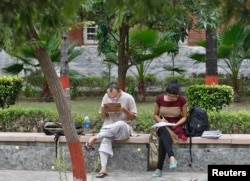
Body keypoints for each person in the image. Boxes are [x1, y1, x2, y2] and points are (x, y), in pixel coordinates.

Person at [84, 82, 137, 178]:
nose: (112, 98)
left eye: (114, 97)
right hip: (108, 127)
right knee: (105, 140)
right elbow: (104, 117)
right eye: (110, 96)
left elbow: (133, 117)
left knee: (120, 123)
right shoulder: (105, 97)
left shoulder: (128, 98)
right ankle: (103, 169)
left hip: (124, 129)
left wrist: (124, 110)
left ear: (120, 91)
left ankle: (95, 137)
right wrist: (103, 110)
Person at [152, 79, 188, 177]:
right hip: (163, 125)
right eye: (169, 96)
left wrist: (176, 124)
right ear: (166, 93)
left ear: (178, 95)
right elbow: (155, 115)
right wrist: (161, 121)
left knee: (163, 141)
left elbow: (184, 117)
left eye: (174, 96)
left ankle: (159, 169)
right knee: (163, 130)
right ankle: (171, 157)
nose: (171, 98)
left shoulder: (182, 100)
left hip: (176, 126)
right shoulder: (159, 99)